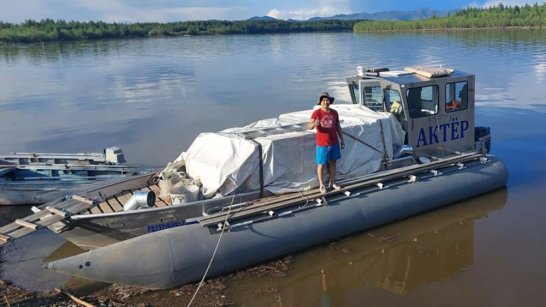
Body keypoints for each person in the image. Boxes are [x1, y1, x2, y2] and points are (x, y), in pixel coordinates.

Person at [308, 92, 345, 194]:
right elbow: (309, 126)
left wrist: (342, 139)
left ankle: (332, 182)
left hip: (334, 142)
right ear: (320, 102)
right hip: (322, 144)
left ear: (330, 101)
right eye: (323, 100)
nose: (325, 102)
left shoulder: (334, 112)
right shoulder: (317, 113)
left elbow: (338, 126)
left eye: (327, 100)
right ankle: (321, 184)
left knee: (333, 162)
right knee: (321, 164)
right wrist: (314, 123)